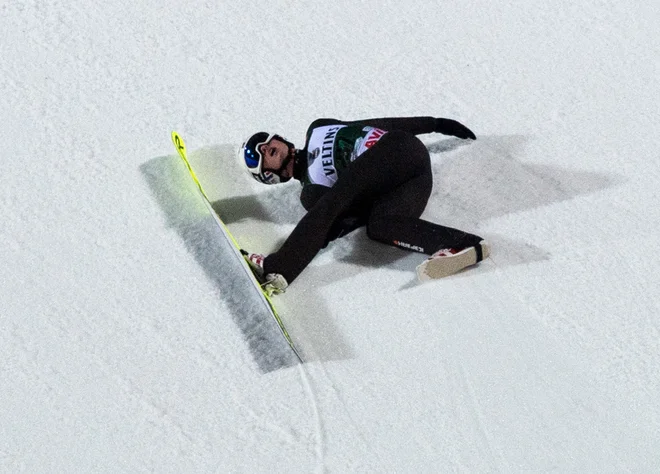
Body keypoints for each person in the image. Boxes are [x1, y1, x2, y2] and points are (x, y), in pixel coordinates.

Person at [238, 116, 489, 294]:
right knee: (379, 226)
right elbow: (344, 215)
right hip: (410, 183)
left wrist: (435, 124)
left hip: (399, 149)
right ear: (268, 176)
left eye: (264, 141)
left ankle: (279, 267)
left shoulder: (317, 128)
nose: (263, 148)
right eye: (256, 155)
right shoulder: (311, 192)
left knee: (337, 198)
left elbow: (380, 125)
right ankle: (464, 244)